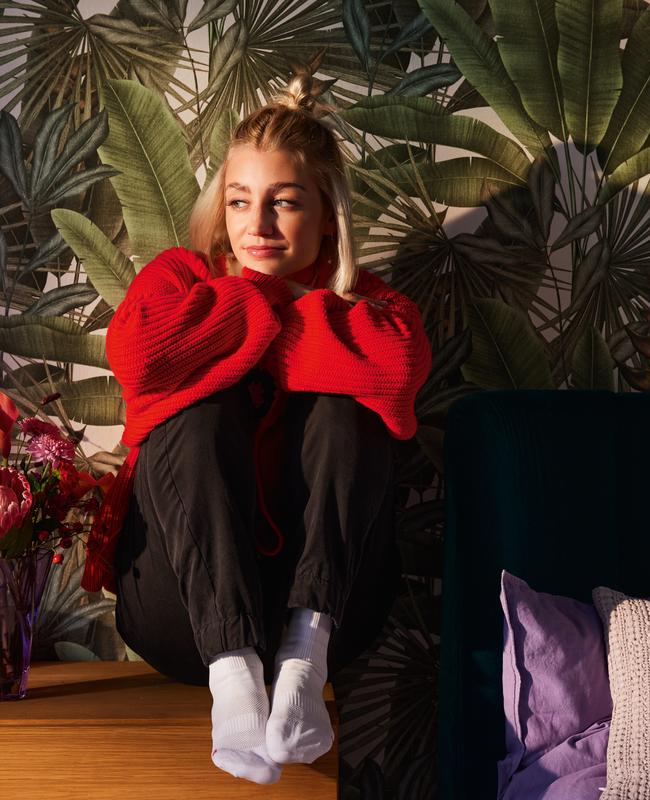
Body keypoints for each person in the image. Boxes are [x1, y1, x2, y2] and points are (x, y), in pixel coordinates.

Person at [80, 56, 432, 785]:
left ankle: (302, 657)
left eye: (285, 202)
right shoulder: (180, 275)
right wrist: (269, 301)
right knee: (196, 406)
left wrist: (246, 321)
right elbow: (140, 358)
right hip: (178, 608)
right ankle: (234, 674)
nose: (257, 225)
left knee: (348, 405)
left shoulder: (371, 300)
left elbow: (395, 369)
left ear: (327, 214)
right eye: (239, 202)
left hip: (332, 612)